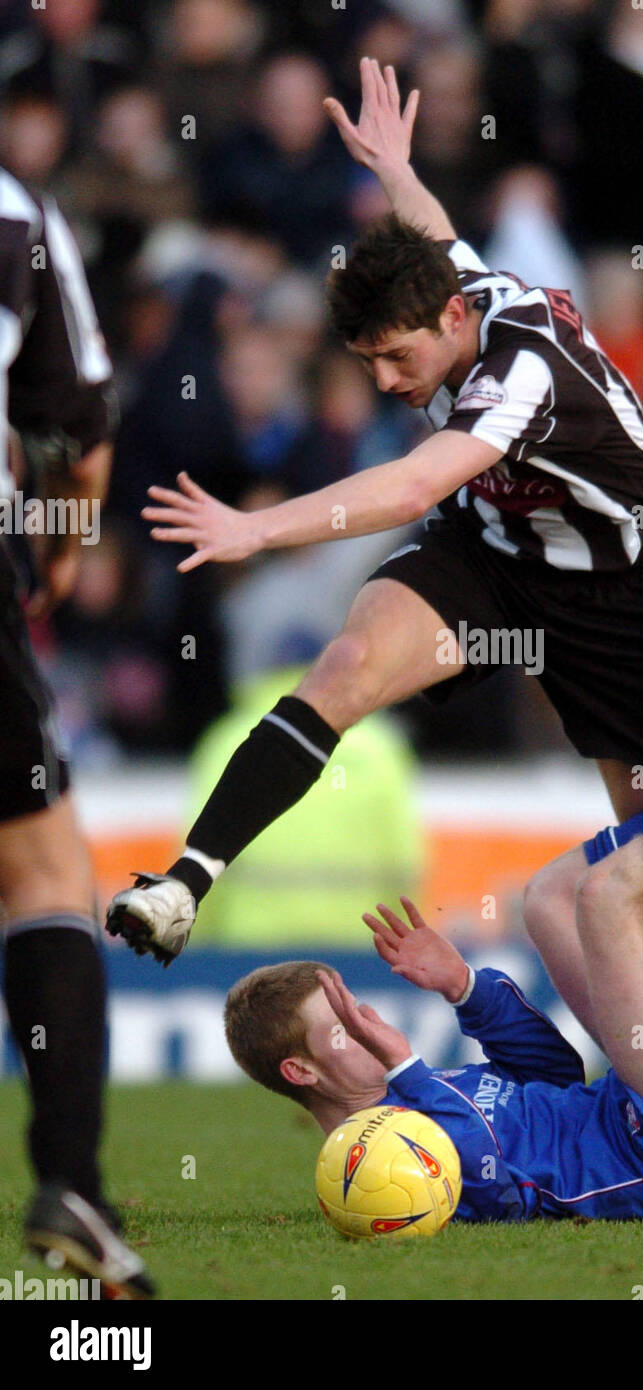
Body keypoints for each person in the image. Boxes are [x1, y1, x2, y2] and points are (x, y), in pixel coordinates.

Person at [106, 56, 643, 1010]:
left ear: (450, 320)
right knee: (348, 663)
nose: (388, 381)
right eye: (366, 362)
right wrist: (396, 170)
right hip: (492, 554)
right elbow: (436, 236)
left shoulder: (524, 370)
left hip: (618, 598)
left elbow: (411, 486)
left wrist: (254, 529)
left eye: (398, 358)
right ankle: (183, 885)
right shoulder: (457, 293)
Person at [223, 580, 643, 1223]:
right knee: (611, 897)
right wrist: (406, 1063)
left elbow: (553, 1073)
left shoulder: (405, 1097)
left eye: (352, 1003)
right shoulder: (366, 1157)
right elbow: (482, 1179)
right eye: (342, 1022)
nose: (364, 1018)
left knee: (552, 895)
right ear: (298, 1069)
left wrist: (465, 991)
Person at [0, 165, 154, 1297]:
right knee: (44, 869)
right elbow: (72, 426)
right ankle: (71, 1186)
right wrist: (56, 546)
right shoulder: (16, 211)